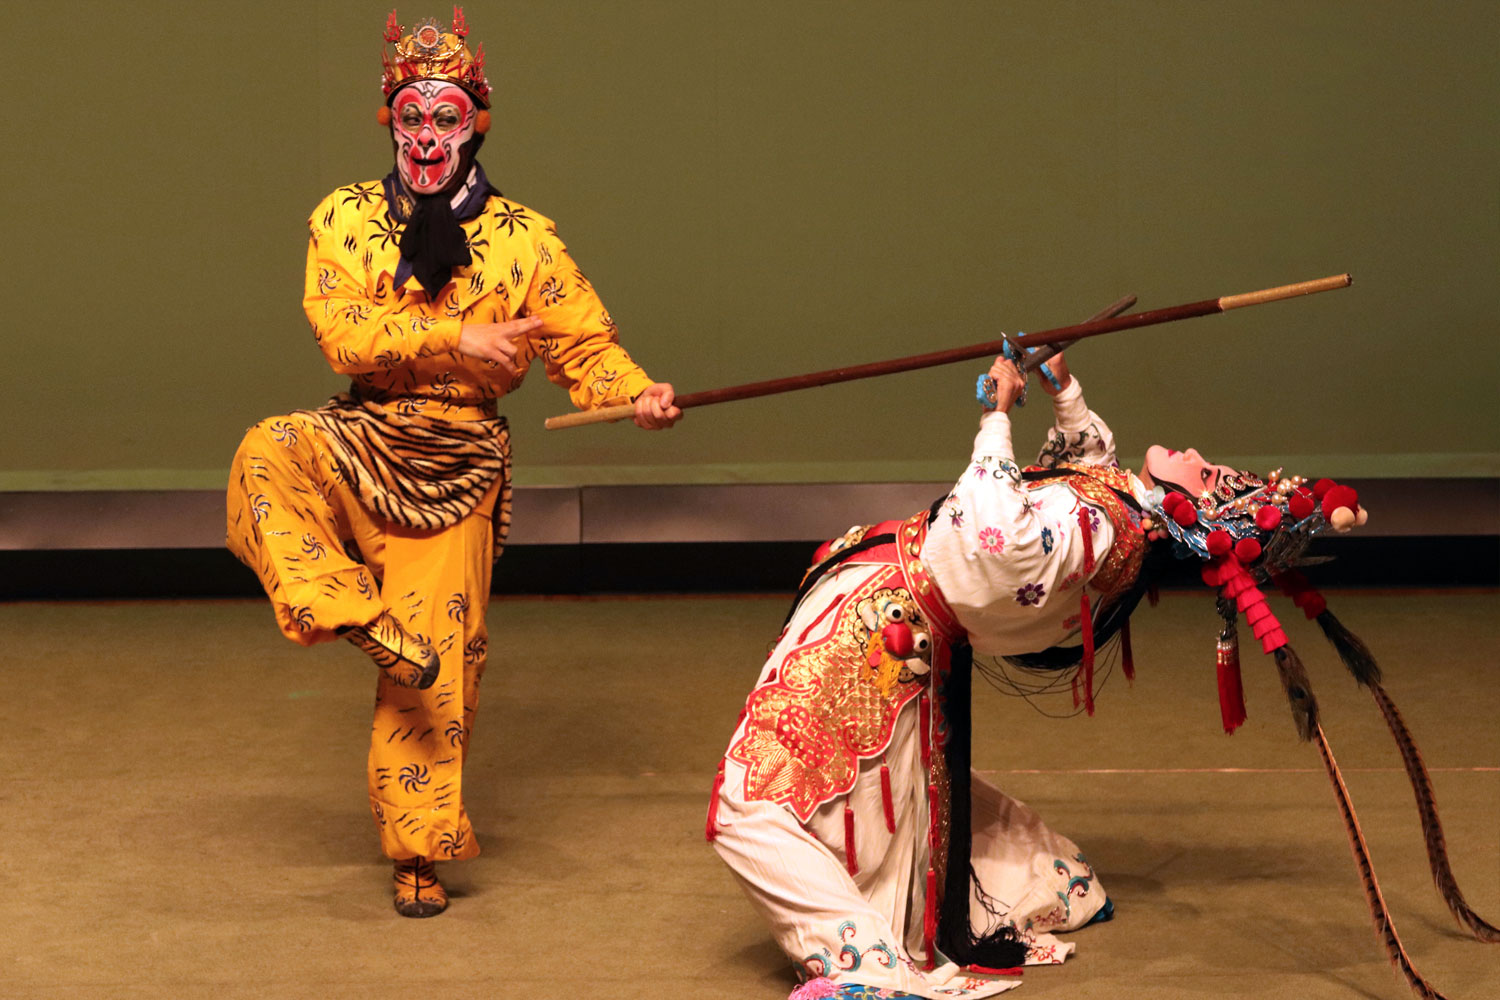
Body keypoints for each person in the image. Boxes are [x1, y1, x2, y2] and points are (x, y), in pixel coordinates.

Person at [705, 348, 1370, 999]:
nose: (1197, 455)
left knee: (752, 800)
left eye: (1206, 473)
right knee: (854, 793)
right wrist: (1064, 391)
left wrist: (995, 416)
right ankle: (884, 916)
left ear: (1184, 511)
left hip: (878, 620)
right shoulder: (1122, 514)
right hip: (890, 614)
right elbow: (1080, 482)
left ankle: (862, 966)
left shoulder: (1112, 531)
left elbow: (995, 537)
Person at [226, 8, 679, 918]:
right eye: (411, 116)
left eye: (445, 118)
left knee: (431, 668)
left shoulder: (524, 238)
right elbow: (342, 336)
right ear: (389, 120)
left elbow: (582, 346)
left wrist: (634, 394)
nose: (427, 137)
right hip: (362, 440)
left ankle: (418, 853)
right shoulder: (345, 219)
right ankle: (344, 607)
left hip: (456, 466)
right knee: (265, 452)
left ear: (475, 124)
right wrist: (456, 335)